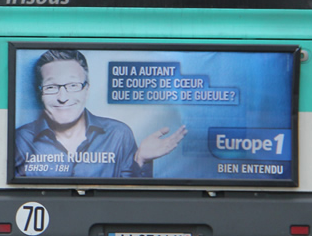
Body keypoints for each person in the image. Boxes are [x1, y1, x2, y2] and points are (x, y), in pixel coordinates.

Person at [14, 49, 187, 178]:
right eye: (51, 87)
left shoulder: (118, 134)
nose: (63, 97)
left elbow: (133, 202)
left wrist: (141, 160)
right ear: (40, 93)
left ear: (86, 90)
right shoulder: (21, 139)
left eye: (73, 85)